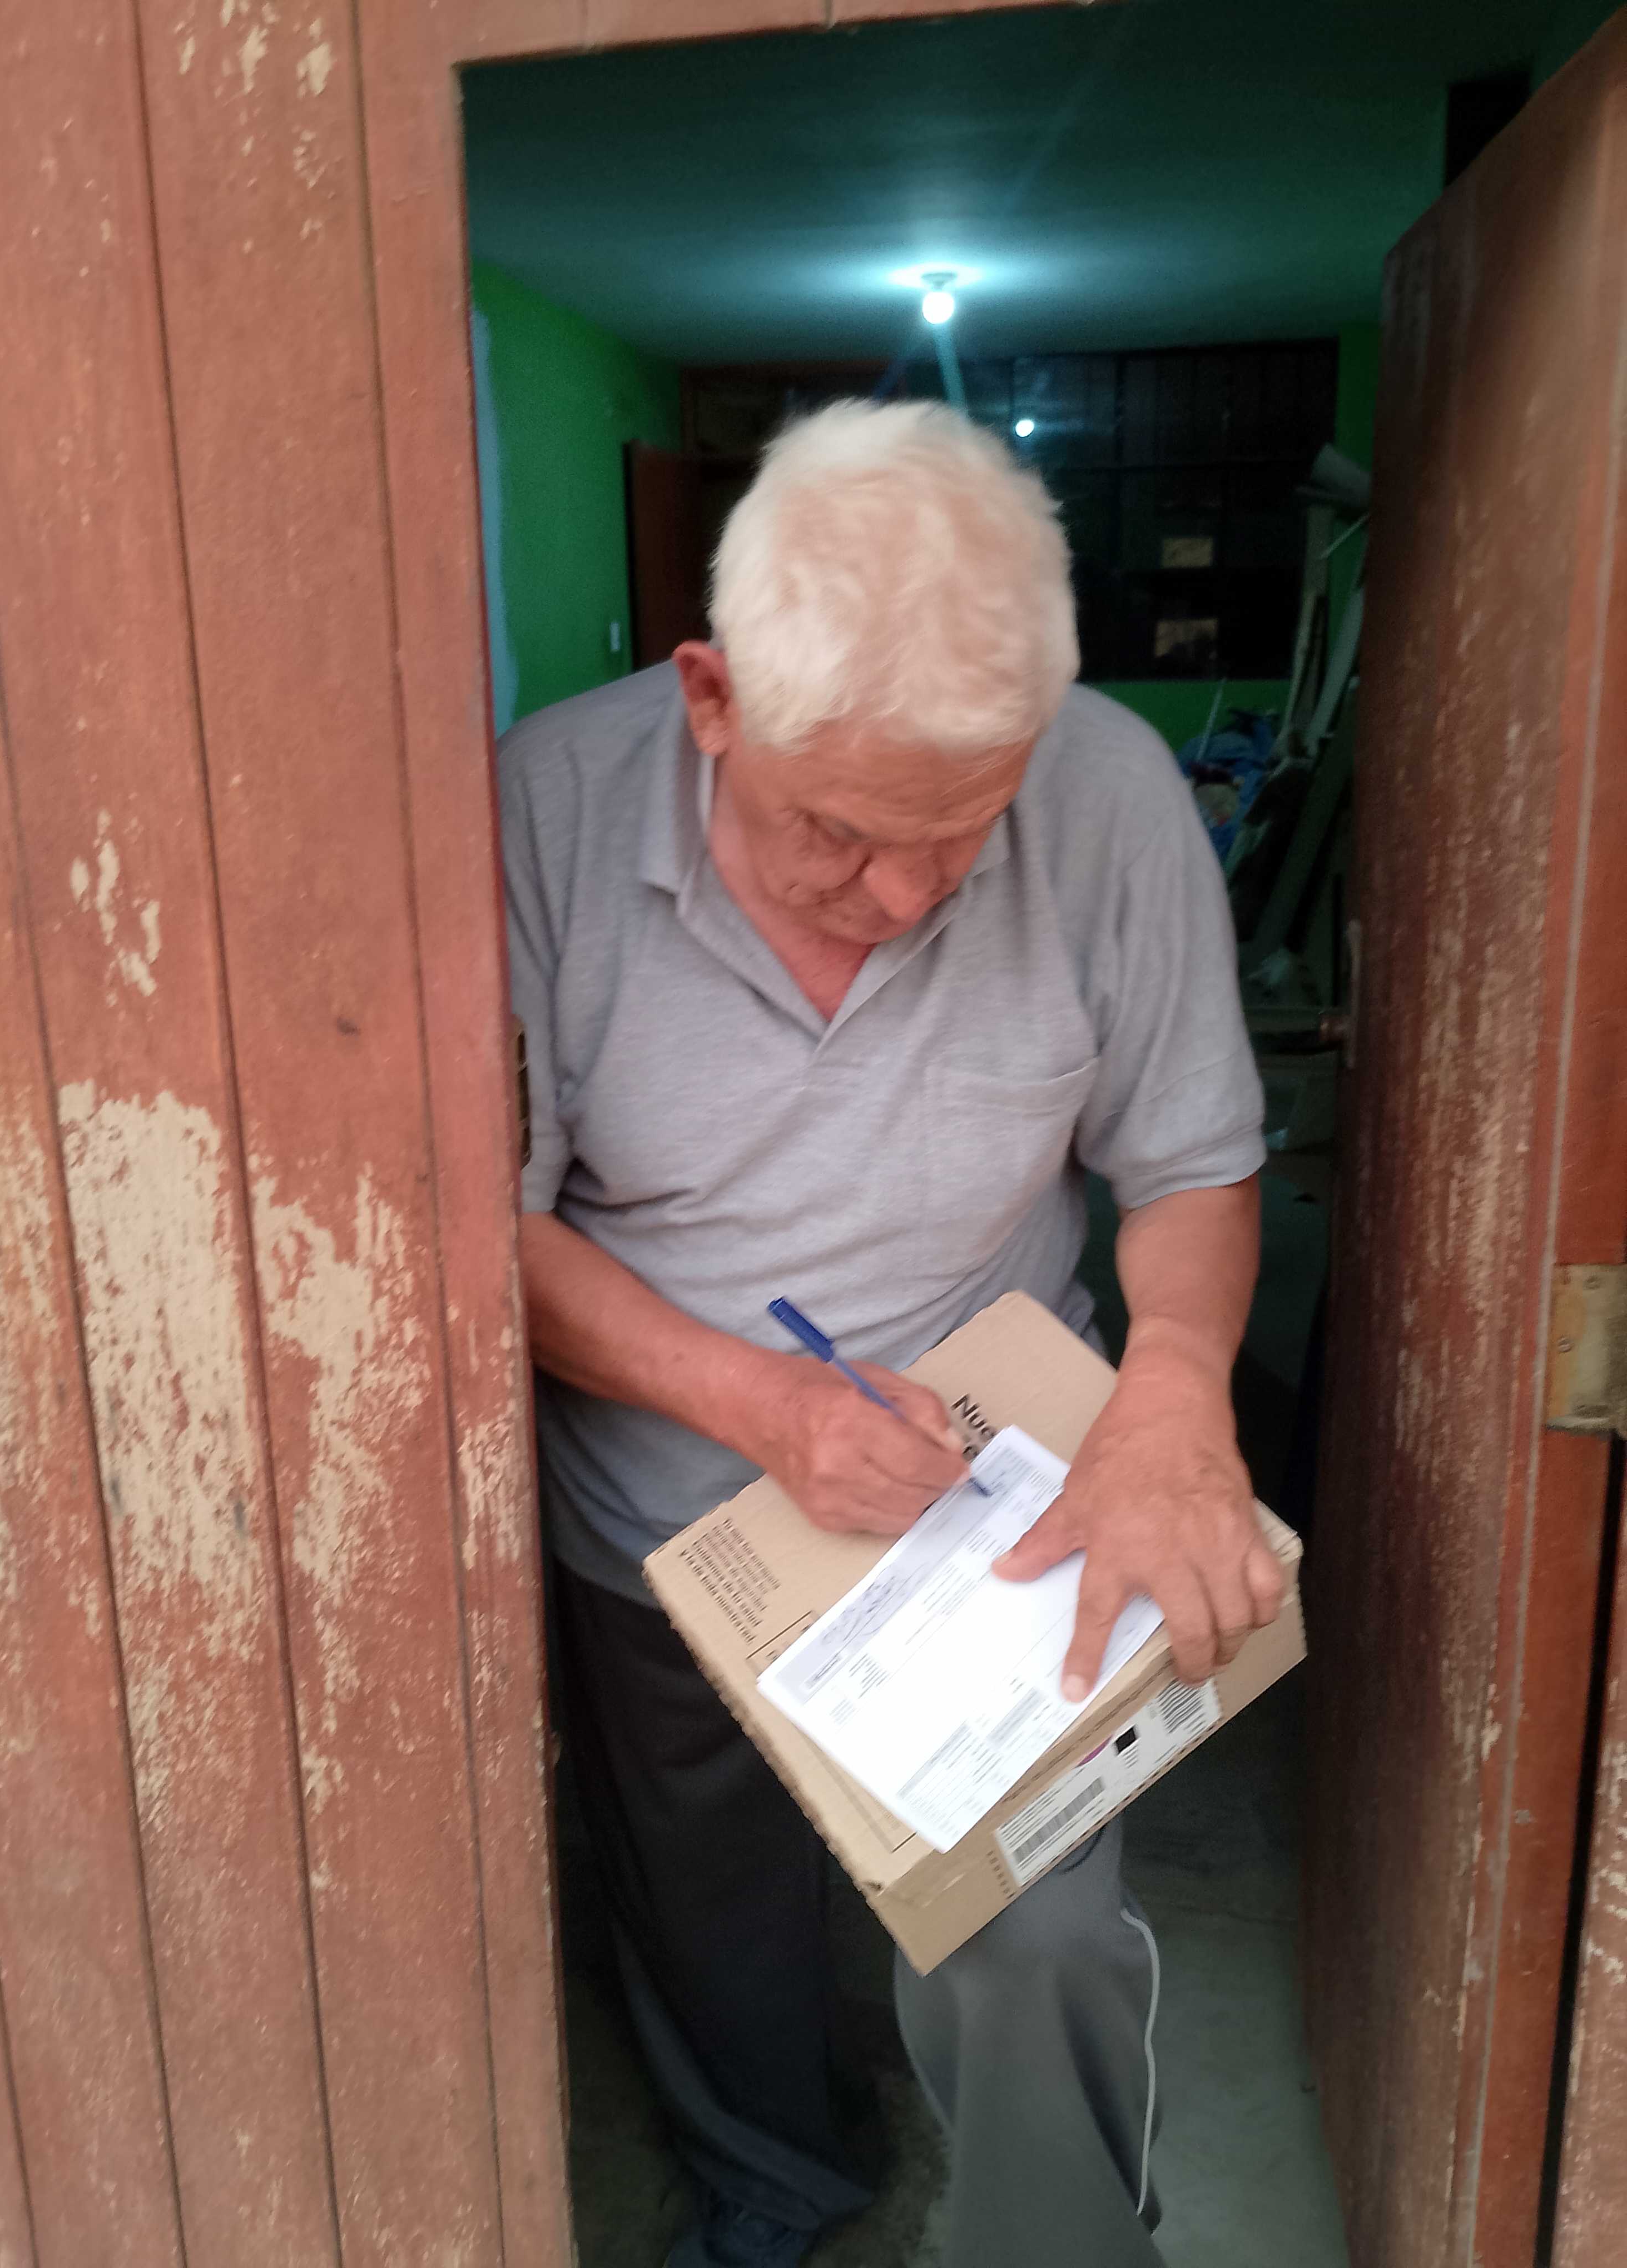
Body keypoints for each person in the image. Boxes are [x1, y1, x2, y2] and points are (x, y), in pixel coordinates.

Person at [499, 399, 1282, 2268]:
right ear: (710, 698)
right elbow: (476, 1228)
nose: (911, 895)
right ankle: (777, 2187)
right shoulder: (541, 810)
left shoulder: (1108, 794)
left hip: (998, 1506)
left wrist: (1175, 1395)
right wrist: (754, 1404)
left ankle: (1057, 2243)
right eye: (841, 835)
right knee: (715, 1923)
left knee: (1040, 1931)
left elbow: (1193, 1161)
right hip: (672, 1514)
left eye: (963, 832)